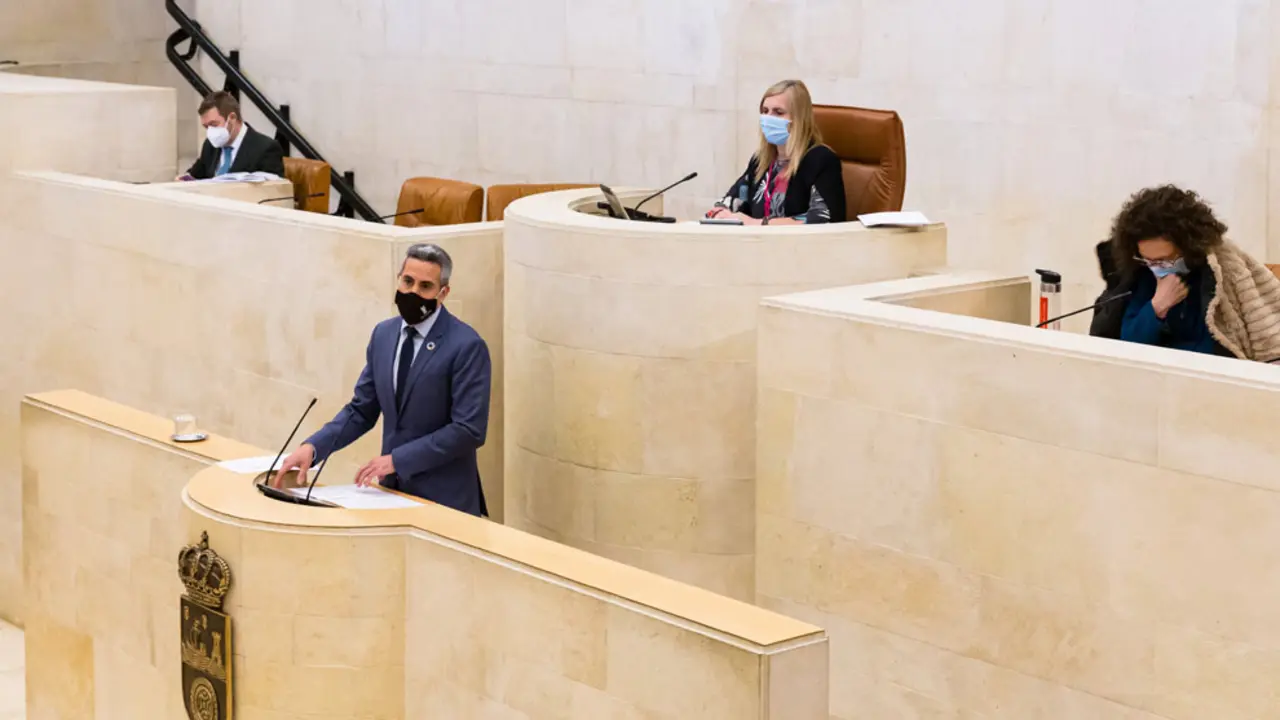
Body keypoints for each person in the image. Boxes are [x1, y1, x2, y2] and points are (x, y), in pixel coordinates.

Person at [272, 244, 492, 516]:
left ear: (443, 293)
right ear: (398, 278)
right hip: (391, 493)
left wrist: (397, 460)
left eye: (425, 286)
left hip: (445, 500)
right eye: (407, 281)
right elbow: (361, 410)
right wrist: (314, 447)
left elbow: (468, 430)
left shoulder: (466, 345)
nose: (413, 292)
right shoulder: (384, 335)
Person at [1090, 185, 1280, 362]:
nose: (1158, 267)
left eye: (1165, 259)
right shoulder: (1143, 276)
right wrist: (1157, 307)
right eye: (1149, 260)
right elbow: (1125, 346)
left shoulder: (1215, 276)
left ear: (1188, 247)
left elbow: (1218, 349)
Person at [706, 79, 846, 225]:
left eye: (778, 112)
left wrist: (757, 223)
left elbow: (824, 219)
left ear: (799, 119)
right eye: (765, 111)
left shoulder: (821, 160)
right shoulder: (761, 160)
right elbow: (734, 199)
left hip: (800, 246)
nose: (768, 118)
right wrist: (720, 213)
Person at [179, 91, 285, 180]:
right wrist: (184, 179)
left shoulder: (265, 148)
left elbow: (273, 193)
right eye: (206, 127)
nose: (210, 131)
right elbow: (195, 175)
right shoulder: (210, 145)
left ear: (232, 118)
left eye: (213, 124)